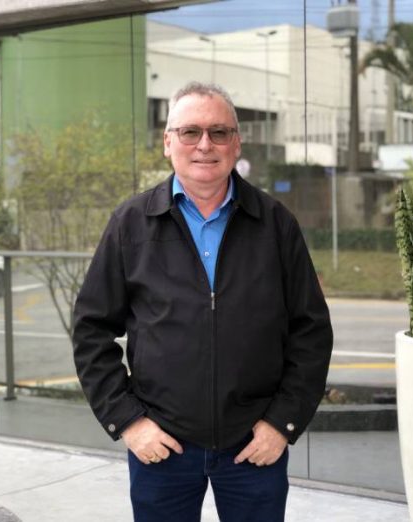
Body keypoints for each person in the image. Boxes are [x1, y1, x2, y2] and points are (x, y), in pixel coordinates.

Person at [72, 82, 333, 522]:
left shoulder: (275, 224)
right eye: (190, 132)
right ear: (167, 143)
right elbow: (90, 329)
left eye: (219, 132)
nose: (205, 145)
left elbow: (310, 331)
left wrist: (281, 424)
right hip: (163, 447)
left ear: (237, 143)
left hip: (254, 446)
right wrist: (130, 423)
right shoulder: (131, 223)